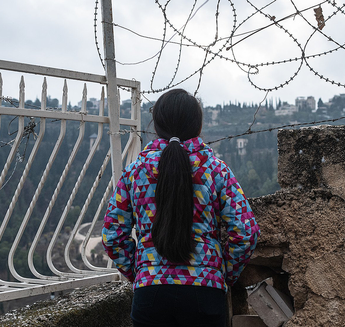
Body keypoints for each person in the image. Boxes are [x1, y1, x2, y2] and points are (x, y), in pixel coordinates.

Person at [102, 88, 260, 327]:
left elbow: (113, 234)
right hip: (205, 293)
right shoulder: (216, 170)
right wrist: (223, 273)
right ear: (197, 126)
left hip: (150, 293)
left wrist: (141, 272)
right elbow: (245, 232)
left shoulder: (134, 172)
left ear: (157, 126)